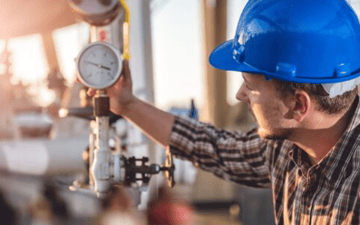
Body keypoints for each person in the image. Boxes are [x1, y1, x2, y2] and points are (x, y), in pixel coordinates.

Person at [89, 0, 360, 224]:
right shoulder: (288, 148)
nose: (239, 95)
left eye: (249, 85)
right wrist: (125, 103)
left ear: (299, 105)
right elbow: (210, 146)